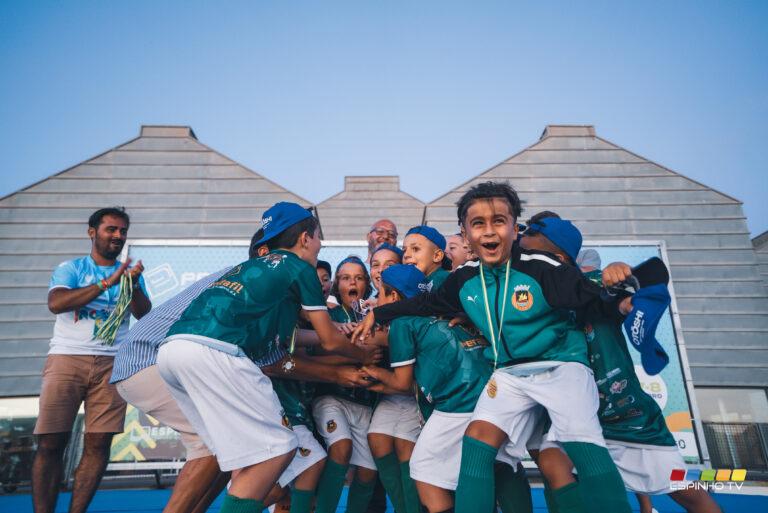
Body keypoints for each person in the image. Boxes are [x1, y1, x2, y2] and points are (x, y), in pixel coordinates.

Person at [354, 181, 634, 513]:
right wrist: (379, 313)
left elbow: (592, 300)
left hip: (560, 366)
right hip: (510, 374)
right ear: (465, 233)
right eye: (478, 223)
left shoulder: (540, 266)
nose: (489, 231)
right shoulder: (465, 277)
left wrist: (618, 290)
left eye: (499, 221)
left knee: (581, 446)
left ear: (515, 228)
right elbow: (427, 304)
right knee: (477, 442)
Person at [158, 202, 377, 513]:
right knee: (279, 448)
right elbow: (329, 341)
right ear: (304, 238)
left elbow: (289, 338)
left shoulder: (252, 270)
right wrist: (363, 353)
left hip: (173, 350)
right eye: (318, 237)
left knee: (247, 455)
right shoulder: (299, 267)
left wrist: (333, 332)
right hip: (217, 351)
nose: (320, 244)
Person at [520, 218, 722, 513]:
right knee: (553, 463)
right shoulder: (527, 294)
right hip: (574, 411)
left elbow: (621, 297)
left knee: (682, 488)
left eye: (528, 247)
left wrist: (621, 278)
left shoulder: (588, 284)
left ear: (559, 259)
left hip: (625, 416)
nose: (521, 254)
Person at [108, 229, 274, 513]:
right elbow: (273, 360)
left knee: (228, 448)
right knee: (215, 441)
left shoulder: (252, 280)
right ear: (266, 254)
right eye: (302, 246)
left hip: (157, 361)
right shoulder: (248, 282)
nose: (312, 252)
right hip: (146, 360)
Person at [362, 265, 532, 513]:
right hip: (494, 395)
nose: (377, 300)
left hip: (460, 403)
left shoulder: (402, 323)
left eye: (380, 293)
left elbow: (401, 383)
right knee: (497, 464)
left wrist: (372, 373)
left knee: (424, 471)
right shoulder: (443, 311)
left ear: (394, 296)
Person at [33, 207, 151, 513]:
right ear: (92, 232)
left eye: (122, 231)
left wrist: (133, 284)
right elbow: (56, 303)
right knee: (50, 443)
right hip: (67, 359)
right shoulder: (71, 268)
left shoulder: (128, 274)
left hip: (113, 364)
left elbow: (144, 313)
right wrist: (107, 282)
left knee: (98, 444)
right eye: (111, 229)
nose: (118, 235)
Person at [312, 257, 381, 513]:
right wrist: (354, 355)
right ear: (336, 285)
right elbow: (313, 357)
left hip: (366, 402)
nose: (352, 283)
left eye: (359, 278)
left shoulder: (376, 315)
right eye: (345, 278)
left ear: (367, 285)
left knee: (368, 471)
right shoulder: (326, 317)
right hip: (331, 397)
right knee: (341, 448)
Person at [402, 226, 450, 290]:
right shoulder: (410, 279)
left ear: (437, 256)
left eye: (415, 249)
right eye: (404, 250)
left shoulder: (445, 280)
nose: (406, 255)